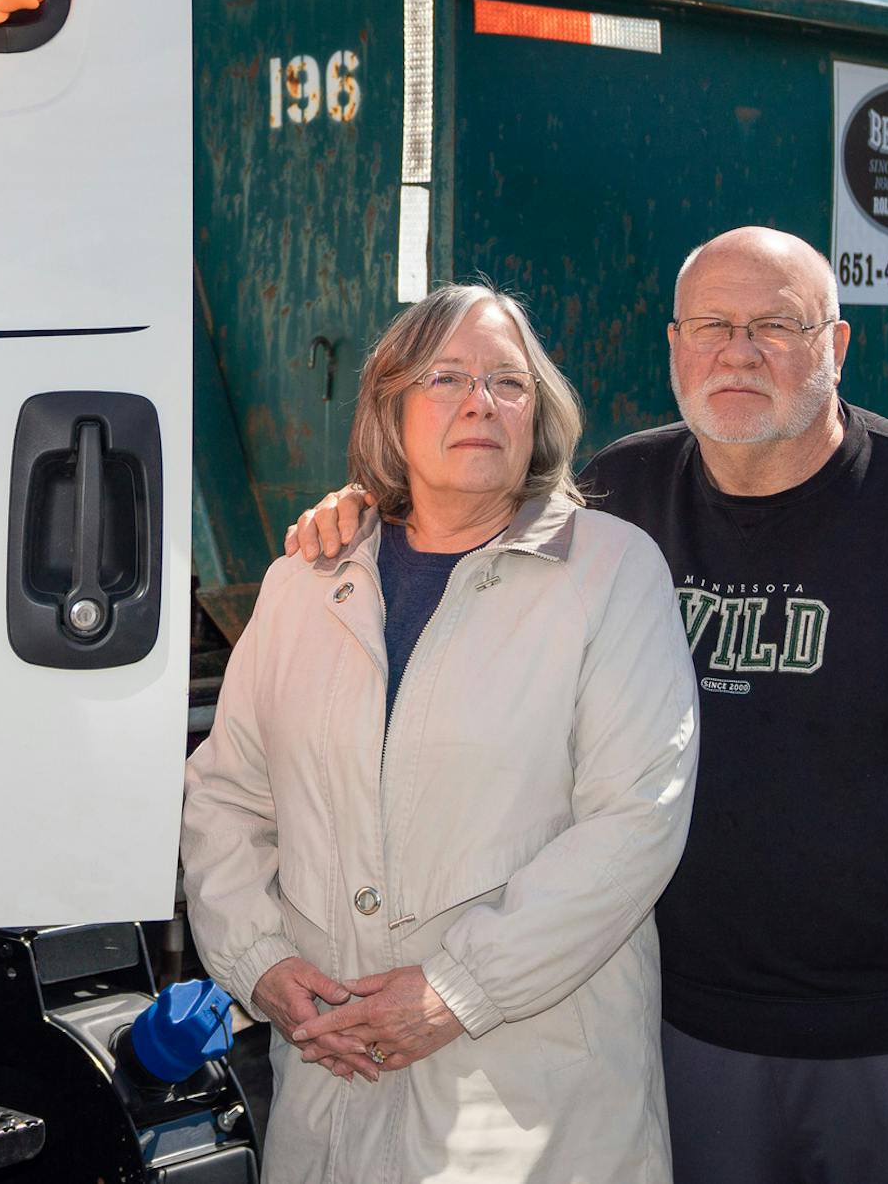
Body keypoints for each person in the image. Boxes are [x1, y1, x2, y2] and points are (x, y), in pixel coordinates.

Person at [288, 226, 888, 1183]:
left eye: (776, 325)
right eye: (712, 325)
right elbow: (459, 516)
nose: (738, 351)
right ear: (674, 347)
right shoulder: (615, 503)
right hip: (689, 1042)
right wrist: (364, 513)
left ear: (837, 346)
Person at [183, 282, 699, 1183]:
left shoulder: (611, 571)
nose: (480, 402)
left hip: (527, 1100)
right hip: (330, 1080)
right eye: (448, 378)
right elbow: (227, 796)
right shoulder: (305, 581)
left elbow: (634, 823)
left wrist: (459, 992)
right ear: (391, 406)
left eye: (509, 382)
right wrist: (260, 964)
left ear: (538, 415)